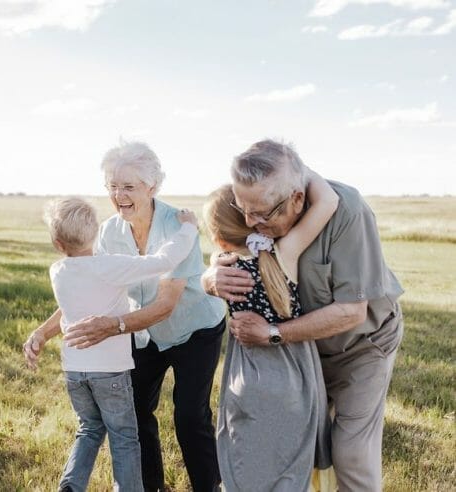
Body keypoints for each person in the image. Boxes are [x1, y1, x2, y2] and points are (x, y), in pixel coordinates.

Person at [201, 139, 404, 492]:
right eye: (244, 211)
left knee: (351, 452)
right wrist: (210, 278)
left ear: (297, 197)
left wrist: (271, 333)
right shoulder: (268, 239)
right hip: (302, 357)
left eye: (263, 214)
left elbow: (352, 312)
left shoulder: (347, 212)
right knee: (305, 446)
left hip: (360, 346)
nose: (252, 224)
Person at [24, 141, 226, 492]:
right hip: (143, 334)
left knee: (190, 417)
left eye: (129, 186)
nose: (120, 195)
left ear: (153, 187)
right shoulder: (107, 232)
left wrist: (114, 326)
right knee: (136, 413)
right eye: (113, 187)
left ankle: (208, 487)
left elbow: (166, 304)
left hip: (194, 330)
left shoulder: (178, 226)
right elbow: (86, 288)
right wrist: (42, 332)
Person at [42, 197, 199, 492]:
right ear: (96, 234)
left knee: (88, 429)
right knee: (124, 437)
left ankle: (72, 485)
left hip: (75, 371)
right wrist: (188, 229)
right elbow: (162, 261)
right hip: (110, 373)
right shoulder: (108, 266)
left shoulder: (58, 271)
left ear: (58, 244)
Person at [203, 182, 338, 492]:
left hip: (248, 381)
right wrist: (292, 170)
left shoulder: (225, 268)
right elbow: (327, 201)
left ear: (219, 240)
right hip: (294, 379)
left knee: (248, 465)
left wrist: (211, 262)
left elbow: (221, 253)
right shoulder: (284, 253)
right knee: (290, 470)